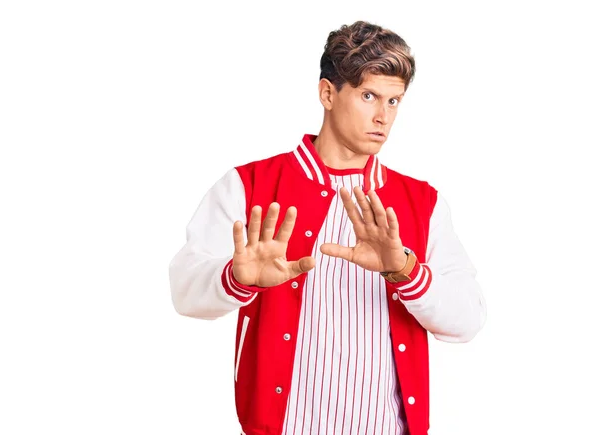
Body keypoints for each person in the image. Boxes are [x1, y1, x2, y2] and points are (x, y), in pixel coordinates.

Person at [169, 20, 486, 435]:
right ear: (328, 93)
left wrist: (406, 271)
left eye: (394, 101)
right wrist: (236, 278)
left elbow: (468, 320)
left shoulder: (422, 203)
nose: (382, 116)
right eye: (369, 96)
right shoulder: (249, 185)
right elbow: (183, 293)